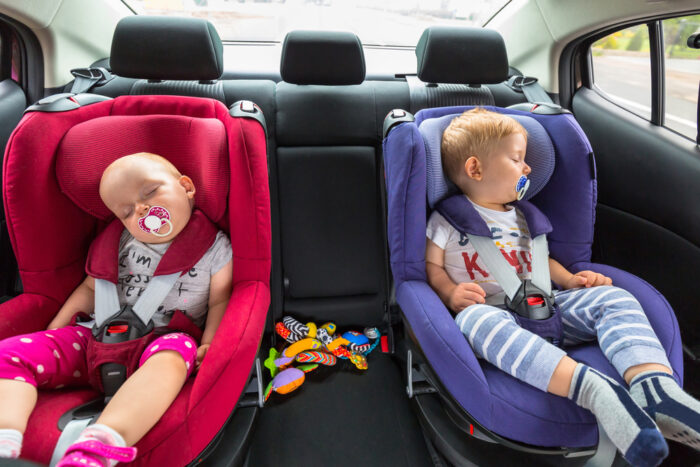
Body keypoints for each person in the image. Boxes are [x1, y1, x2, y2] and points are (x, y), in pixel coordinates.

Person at [426, 108, 700, 467]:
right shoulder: (447, 221)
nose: (527, 169)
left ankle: (654, 387)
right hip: (492, 315)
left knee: (612, 297)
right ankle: (596, 390)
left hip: (548, 306)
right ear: (475, 169)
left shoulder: (523, 217)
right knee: (475, 321)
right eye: (517, 159)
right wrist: (449, 293)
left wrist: (571, 281)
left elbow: (543, 259)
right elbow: (431, 267)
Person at [0, 153, 233, 466]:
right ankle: (5, 439)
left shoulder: (216, 248)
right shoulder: (118, 242)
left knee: (174, 357)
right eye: (126, 211)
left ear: (186, 187)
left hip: (163, 340)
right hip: (96, 338)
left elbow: (220, 300)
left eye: (150, 193)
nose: (141, 209)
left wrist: (211, 342)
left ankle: (103, 442)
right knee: (7, 355)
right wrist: (56, 328)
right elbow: (90, 288)